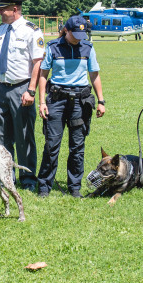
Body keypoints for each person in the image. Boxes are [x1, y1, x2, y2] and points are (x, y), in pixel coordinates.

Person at [36, 15, 106, 198]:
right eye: (75, 34)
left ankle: (74, 186)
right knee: (52, 145)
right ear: (65, 30)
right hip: (57, 101)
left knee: (77, 146)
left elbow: (94, 75)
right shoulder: (52, 47)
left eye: (82, 34)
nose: (78, 38)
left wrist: (101, 100)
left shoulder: (88, 48)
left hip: (80, 103)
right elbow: (43, 75)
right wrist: (42, 101)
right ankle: (44, 186)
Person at [0, 0, 45, 191]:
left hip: (21, 88)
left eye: (3, 9)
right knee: (1, 136)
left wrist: (31, 90)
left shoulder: (31, 31)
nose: (0, 12)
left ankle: (27, 178)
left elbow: (38, 62)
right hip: (0, 88)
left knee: (24, 136)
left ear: (15, 9)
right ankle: (7, 176)